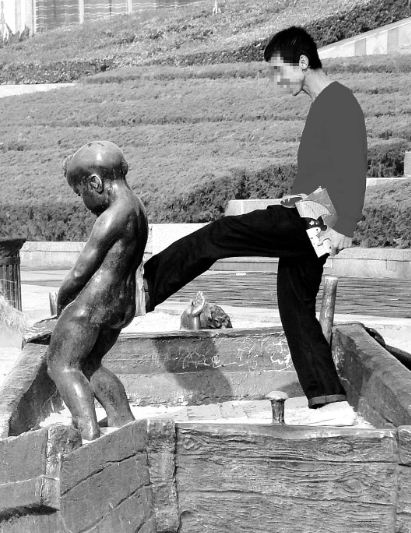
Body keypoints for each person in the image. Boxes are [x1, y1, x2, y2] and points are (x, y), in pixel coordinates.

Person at [142, 26, 367, 409]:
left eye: (279, 70)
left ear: (302, 62)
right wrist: (295, 196)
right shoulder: (322, 103)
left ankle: (147, 285)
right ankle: (328, 397)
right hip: (310, 211)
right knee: (295, 306)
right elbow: (320, 170)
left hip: (317, 217)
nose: (276, 79)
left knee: (220, 234)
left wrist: (345, 226)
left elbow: (354, 165)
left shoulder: (338, 100)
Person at [47, 141, 148, 440]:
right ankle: (122, 419)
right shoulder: (137, 208)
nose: (83, 201)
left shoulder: (112, 215)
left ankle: (87, 432)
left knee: (62, 365)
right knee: (90, 363)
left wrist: (62, 305)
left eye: (81, 193)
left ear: (95, 182)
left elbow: (80, 272)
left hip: (93, 305)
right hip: (121, 306)